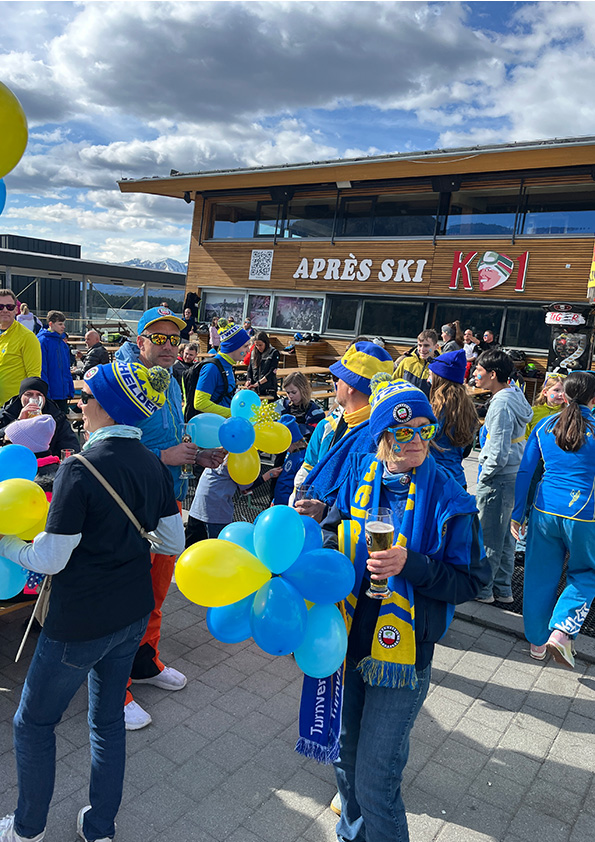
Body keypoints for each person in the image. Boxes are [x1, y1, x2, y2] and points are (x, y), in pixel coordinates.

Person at [0, 360, 184, 842]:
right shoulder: (153, 462)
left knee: (33, 722)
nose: (79, 405)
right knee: (106, 723)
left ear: (105, 407)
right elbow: (171, 543)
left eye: (86, 398)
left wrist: (5, 545)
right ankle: (100, 827)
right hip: (131, 614)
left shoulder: (78, 470)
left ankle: (27, 829)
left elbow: (51, 559)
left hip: (79, 622)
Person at [304, 376, 488, 842]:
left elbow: (472, 579)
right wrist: (323, 524)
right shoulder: (359, 477)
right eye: (405, 432)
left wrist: (414, 564)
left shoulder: (450, 499)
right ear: (382, 435)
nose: (418, 441)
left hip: (403, 658)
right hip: (346, 642)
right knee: (344, 759)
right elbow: (334, 532)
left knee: (376, 781)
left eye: (426, 430)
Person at [116, 306, 225, 730]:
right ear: (140, 340)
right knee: (127, 597)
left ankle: (145, 662)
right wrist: (162, 456)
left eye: (174, 339)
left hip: (168, 498)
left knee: (157, 588)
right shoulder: (120, 380)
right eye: (158, 338)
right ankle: (114, 688)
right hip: (130, 505)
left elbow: (172, 435)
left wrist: (197, 455)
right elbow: (105, 444)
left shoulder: (174, 378)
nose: (168, 346)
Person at [511, 371, 595, 667]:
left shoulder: (545, 425)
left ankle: (537, 644)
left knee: (538, 575)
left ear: (565, 395)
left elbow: (526, 471)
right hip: (586, 515)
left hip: (544, 511)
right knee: (587, 573)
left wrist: (517, 513)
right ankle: (562, 630)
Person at [293, 341, 393, 520]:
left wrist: (327, 511)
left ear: (351, 386)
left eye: (338, 378)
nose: (336, 383)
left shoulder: (376, 437)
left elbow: (372, 499)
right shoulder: (336, 424)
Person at [474, 349, 532, 605]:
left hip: (499, 477)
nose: (475, 374)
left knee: (489, 536)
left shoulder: (500, 403)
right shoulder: (515, 394)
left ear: (493, 374)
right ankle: (503, 588)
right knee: (507, 536)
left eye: (479, 370)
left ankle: (484, 590)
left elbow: (497, 449)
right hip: (515, 474)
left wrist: (485, 478)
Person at [185, 460, 282, 546]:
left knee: (193, 545)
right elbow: (247, 486)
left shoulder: (218, 455)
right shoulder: (236, 460)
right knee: (219, 547)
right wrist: (269, 474)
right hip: (216, 511)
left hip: (198, 507)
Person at [428, 349, 479, 487]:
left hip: (434, 480)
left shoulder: (433, 410)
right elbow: (467, 449)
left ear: (440, 378)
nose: (428, 379)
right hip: (458, 481)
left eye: (430, 374)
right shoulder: (469, 409)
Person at [0, 376, 80, 458]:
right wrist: (18, 422)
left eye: (39, 395)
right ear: (21, 396)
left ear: (44, 398)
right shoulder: (8, 412)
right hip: (13, 463)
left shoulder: (56, 416)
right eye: (28, 394)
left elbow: (71, 446)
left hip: (45, 464)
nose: (34, 399)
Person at [192, 323, 251, 418]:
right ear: (233, 346)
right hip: (212, 427)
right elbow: (200, 403)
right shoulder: (212, 367)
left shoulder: (228, 365)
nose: (248, 350)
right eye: (245, 346)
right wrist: (232, 413)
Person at [0, 289, 42, 407]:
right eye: (0, 306)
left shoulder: (27, 337)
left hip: (13, 409)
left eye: (9, 306)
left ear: (16, 310)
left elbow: (33, 378)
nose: (4, 310)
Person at [38, 310, 75, 413]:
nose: (63, 327)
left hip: (63, 393)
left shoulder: (62, 343)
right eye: (60, 324)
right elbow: (42, 369)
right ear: (51, 324)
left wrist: (70, 389)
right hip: (51, 394)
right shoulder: (43, 341)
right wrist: (46, 392)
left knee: (63, 425)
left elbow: (66, 369)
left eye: (63, 324)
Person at [275, 371, 325, 440]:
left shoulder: (313, 410)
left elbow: (314, 432)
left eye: (294, 392)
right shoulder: (282, 405)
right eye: (288, 392)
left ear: (303, 390)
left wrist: (294, 427)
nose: (290, 396)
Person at [272, 415, 307, 506]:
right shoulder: (290, 453)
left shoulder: (302, 458)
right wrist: (274, 500)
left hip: (288, 505)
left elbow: (300, 485)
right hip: (279, 502)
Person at [393, 329, 439, 396]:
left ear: (436, 347)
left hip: (427, 405)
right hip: (405, 404)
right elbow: (393, 383)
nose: (422, 349)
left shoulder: (440, 367)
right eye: (420, 345)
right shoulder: (406, 362)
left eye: (426, 346)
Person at [525, 374, 566, 438]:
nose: (561, 394)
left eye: (564, 391)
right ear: (545, 392)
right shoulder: (533, 412)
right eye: (556, 390)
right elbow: (525, 435)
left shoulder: (568, 412)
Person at [245, 331, 280, 398]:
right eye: (256, 345)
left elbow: (272, 371)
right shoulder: (254, 352)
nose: (258, 347)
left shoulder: (273, 353)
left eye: (260, 345)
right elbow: (250, 369)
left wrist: (259, 383)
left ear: (266, 343)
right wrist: (248, 380)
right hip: (255, 389)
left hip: (268, 388)